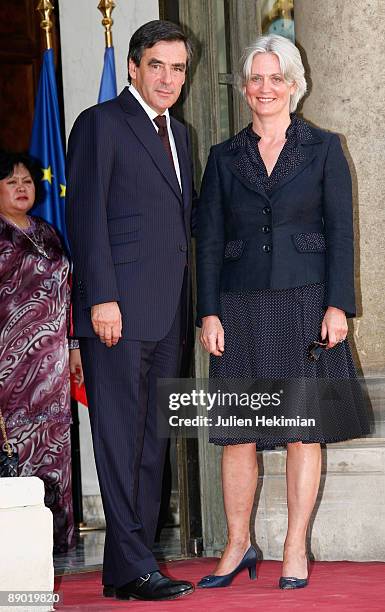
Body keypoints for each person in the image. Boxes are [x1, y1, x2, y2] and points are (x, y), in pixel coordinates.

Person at [196, 34, 370, 590]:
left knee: (300, 429)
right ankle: (238, 544)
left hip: (305, 303)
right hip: (238, 306)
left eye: (276, 78)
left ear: (295, 85)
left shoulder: (323, 148)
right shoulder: (223, 157)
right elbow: (207, 240)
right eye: (256, 79)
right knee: (237, 431)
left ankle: (295, 546)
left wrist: (338, 304)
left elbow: (342, 233)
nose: (265, 88)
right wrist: (208, 312)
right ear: (245, 88)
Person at [66, 20, 195, 601]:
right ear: (134, 68)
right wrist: (101, 298)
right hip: (116, 310)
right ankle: (138, 565)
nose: (169, 78)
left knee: (152, 445)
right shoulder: (100, 124)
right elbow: (88, 215)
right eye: (159, 66)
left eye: (179, 68)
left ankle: (126, 567)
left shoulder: (183, 135)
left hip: (166, 312)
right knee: (120, 440)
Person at [0, 150, 83, 552]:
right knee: (12, 450)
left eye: (27, 181)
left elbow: (68, 295)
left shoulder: (47, 232)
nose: (21, 188)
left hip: (51, 367)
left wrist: (74, 347)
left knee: (54, 448)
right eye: (11, 181)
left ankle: (56, 541)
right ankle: (17, 547)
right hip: (8, 368)